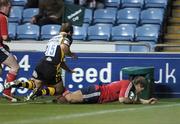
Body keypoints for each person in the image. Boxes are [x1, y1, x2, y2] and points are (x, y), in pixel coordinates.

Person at [5, 22, 78, 101]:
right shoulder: (67, 36)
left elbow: (59, 60)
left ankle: (19, 83)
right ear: (70, 32)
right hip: (52, 66)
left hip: (42, 63)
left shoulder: (53, 38)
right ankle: (40, 92)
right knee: (59, 90)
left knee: (35, 84)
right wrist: (71, 54)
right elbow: (64, 47)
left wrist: (68, 70)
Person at [54, 76, 157, 104]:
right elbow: (122, 99)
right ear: (139, 85)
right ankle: (57, 89)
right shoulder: (128, 84)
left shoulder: (130, 89)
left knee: (68, 99)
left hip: (97, 93)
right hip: (97, 93)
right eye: (142, 89)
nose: (141, 92)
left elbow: (134, 99)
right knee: (70, 99)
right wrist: (133, 101)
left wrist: (146, 101)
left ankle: (57, 96)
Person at [0, 0, 20, 102]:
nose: (10, 10)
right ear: (5, 6)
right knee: (15, 67)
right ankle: (7, 92)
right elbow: (4, 36)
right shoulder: (2, 17)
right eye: (9, 8)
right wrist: (8, 39)